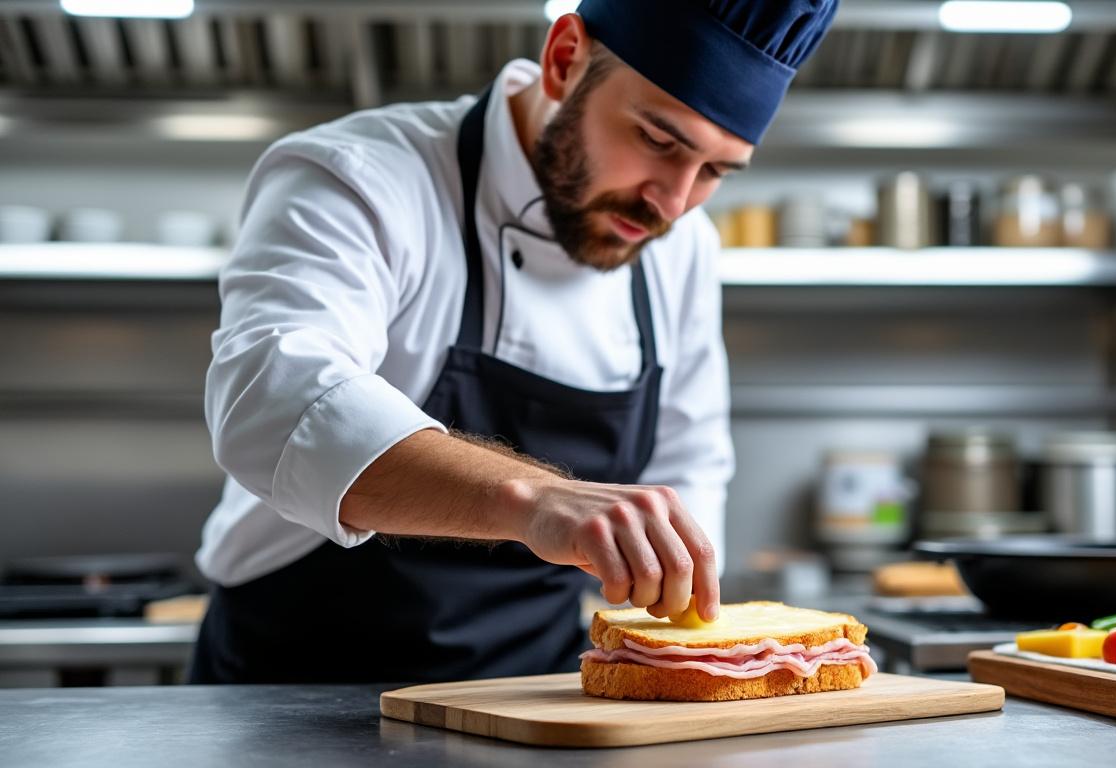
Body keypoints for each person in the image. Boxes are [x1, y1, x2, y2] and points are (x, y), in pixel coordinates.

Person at [191, 0, 838, 684]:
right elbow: (273, 402)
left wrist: (679, 640)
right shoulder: (363, 175)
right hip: (296, 688)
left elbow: (689, 463)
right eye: (657, 139)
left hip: (534, 699)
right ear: (564, 59)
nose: (672, 204)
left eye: (715, 172)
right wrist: (536, 501)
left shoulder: (681, 250)